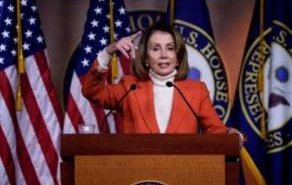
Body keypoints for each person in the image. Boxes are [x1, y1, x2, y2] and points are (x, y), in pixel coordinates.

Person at [82, 23, 245, 145]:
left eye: (170, 48)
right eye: (155, 49)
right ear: (146, 57)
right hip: (136, 178)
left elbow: (216, 130)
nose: (164, 55)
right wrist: (109, 51)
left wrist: (231, 134)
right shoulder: (129, 86)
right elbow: (92, 91)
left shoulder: (197, 91)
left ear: (178, 56)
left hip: (181, 176)